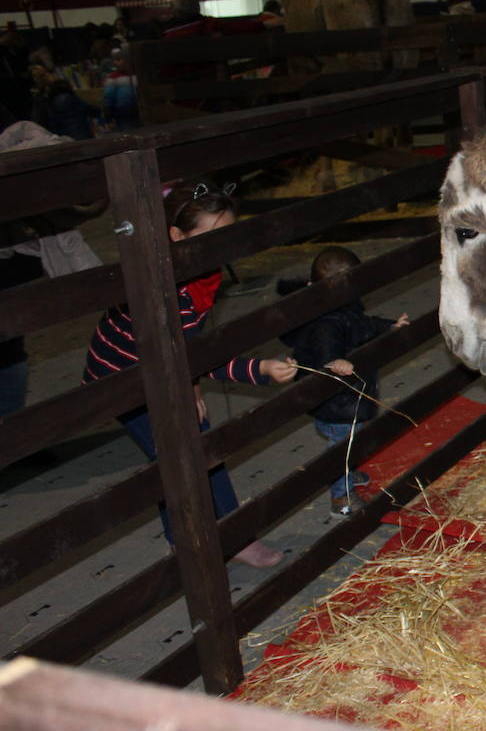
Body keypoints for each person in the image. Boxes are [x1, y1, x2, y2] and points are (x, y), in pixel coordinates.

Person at [82, 182, 297, 567]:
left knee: (201, 445)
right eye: (212, 237)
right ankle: (185, 544)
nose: (223, 246)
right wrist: (259, 369)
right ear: (176, 236)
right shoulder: (169, 289)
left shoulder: (200, 269)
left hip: (166, 365)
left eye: (228, 235)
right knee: (176, 458)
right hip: (122, 380)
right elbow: (194, 352)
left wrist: (191, 383)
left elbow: (191, 340)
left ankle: (233, 534)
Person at [278, 247, 408, 516]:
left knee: (351, 441)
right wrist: (334, 361)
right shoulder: (325, 322)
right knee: (341, 450)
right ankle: (341, 498)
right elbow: (326, 350)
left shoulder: (343, 307)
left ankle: (347, 474)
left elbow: (363, 324)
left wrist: (389, 326)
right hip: (336, 403)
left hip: (348, 397)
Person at [31, 77, 99, 140]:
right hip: (83, 135)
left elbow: (52, 124)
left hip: (66, 139)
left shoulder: (50, 104)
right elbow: (91, 110)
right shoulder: (73, 99)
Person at [101, 48, 139, 131]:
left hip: (139, 113)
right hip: (123, 116)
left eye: (118, 60)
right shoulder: (113, 78)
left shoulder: (138, 75)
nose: (115, 63)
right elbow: (108, 98)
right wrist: (108, 118)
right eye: (114, 60)